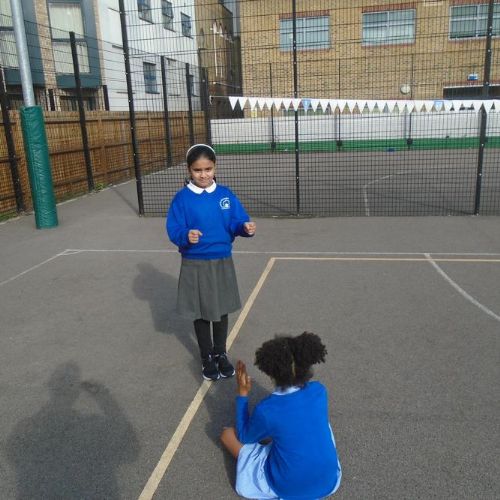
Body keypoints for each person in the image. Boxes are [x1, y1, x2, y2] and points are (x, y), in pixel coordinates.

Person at [166, 144, 256, 381]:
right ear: (189, 170)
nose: (203, 174)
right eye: (197, 170)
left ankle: (220, 353)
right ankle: (206, 356)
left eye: (208, 169)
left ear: (215, 167)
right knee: (201, 312)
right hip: (195, 262)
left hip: (222, 259)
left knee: (221, 309)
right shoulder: (182, 199)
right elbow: (174, 228)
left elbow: (236, 221)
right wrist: (186, 235)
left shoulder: (225, 194)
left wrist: (244, 227)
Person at [220, 332, 342, 499]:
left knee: (227, 434)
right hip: (328, 481)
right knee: (315, 425)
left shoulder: (267, 409)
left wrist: (242, 394)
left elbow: (244, 436)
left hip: (288, 486)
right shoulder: (319, 390)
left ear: (271, 373)